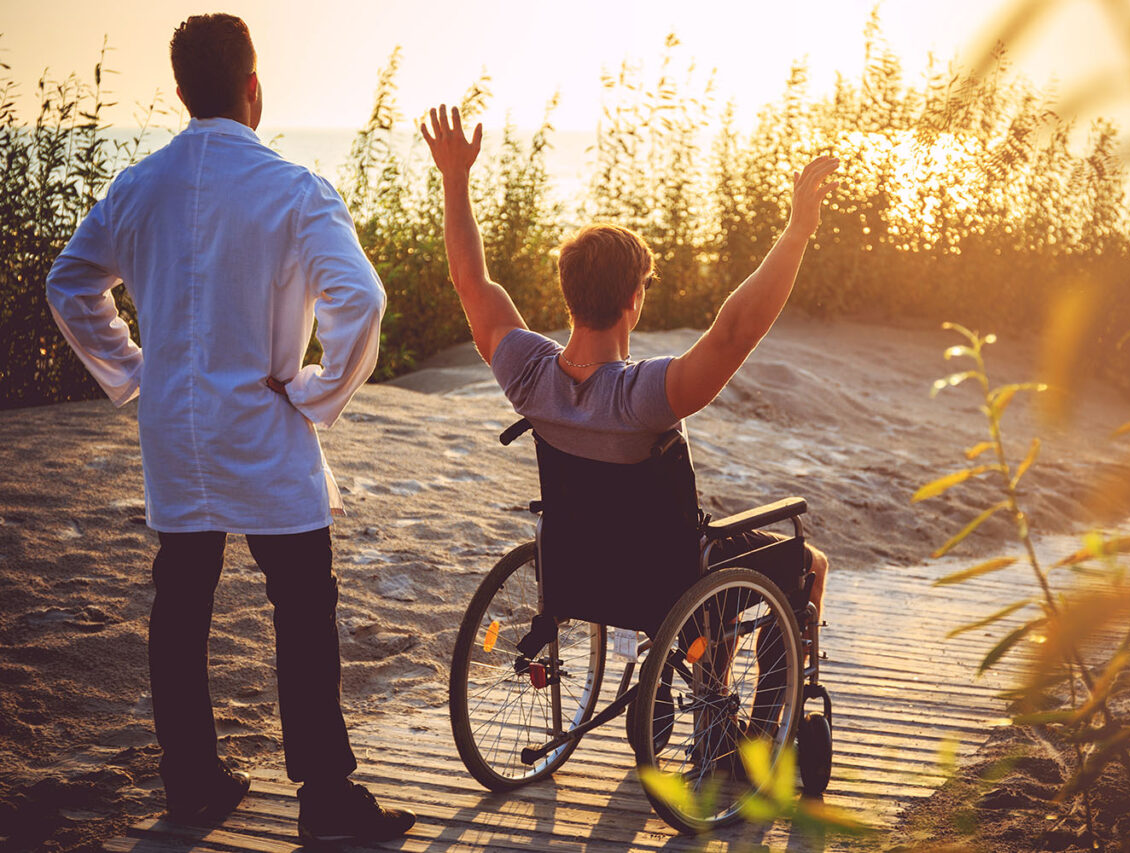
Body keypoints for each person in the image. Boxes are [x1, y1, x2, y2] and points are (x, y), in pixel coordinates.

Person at [45, 14, 414, 843]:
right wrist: (319, 391)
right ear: (254, 88)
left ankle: (193, 782)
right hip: (265, 425)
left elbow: (70, 284)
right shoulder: (295, 188)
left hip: (176, 432)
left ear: (180, 93)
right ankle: (324, 800)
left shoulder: (137, 186)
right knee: (301, 604)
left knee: (180, 601)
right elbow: (364, 300)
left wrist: (134, 371)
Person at [419, 103, 835, 631]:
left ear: (569, 296)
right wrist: (797, 231)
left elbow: (469, 281)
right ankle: (764, 717)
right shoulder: (644, 397)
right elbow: (735, 331)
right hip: (666, 582)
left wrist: (455, 179)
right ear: (635, 298)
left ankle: (713, 678)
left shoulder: (528, 377)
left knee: (721, 566)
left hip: (584, 574)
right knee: (809, 563)